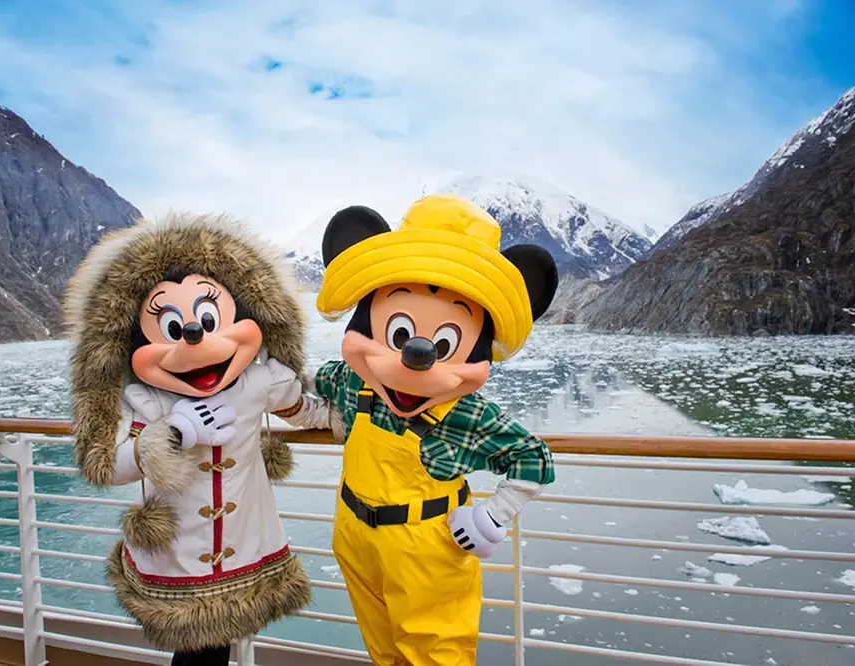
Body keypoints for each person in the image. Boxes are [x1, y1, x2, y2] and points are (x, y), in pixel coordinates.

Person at [65, 212, 329, 665]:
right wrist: (171, 434)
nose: (194, 336)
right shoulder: (145, 396)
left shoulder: (259, 380)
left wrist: (348, 417)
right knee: (197, 651)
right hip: (177, 555)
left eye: (209, 318)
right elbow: (111, 465)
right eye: (172, 328)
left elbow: (301, 407)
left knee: (215, 648)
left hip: (244, 547)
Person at [307, 193, 559, 665]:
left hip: (426, 549)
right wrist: (279, 397)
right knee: (382, 649)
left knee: (437, 654)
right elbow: (313, 387)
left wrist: (492, 516)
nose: (416, 354)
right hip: (355, 535)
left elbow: (533, 459)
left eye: (443, 343)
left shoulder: (466, 413)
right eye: (400, 333)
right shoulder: (355, 382)